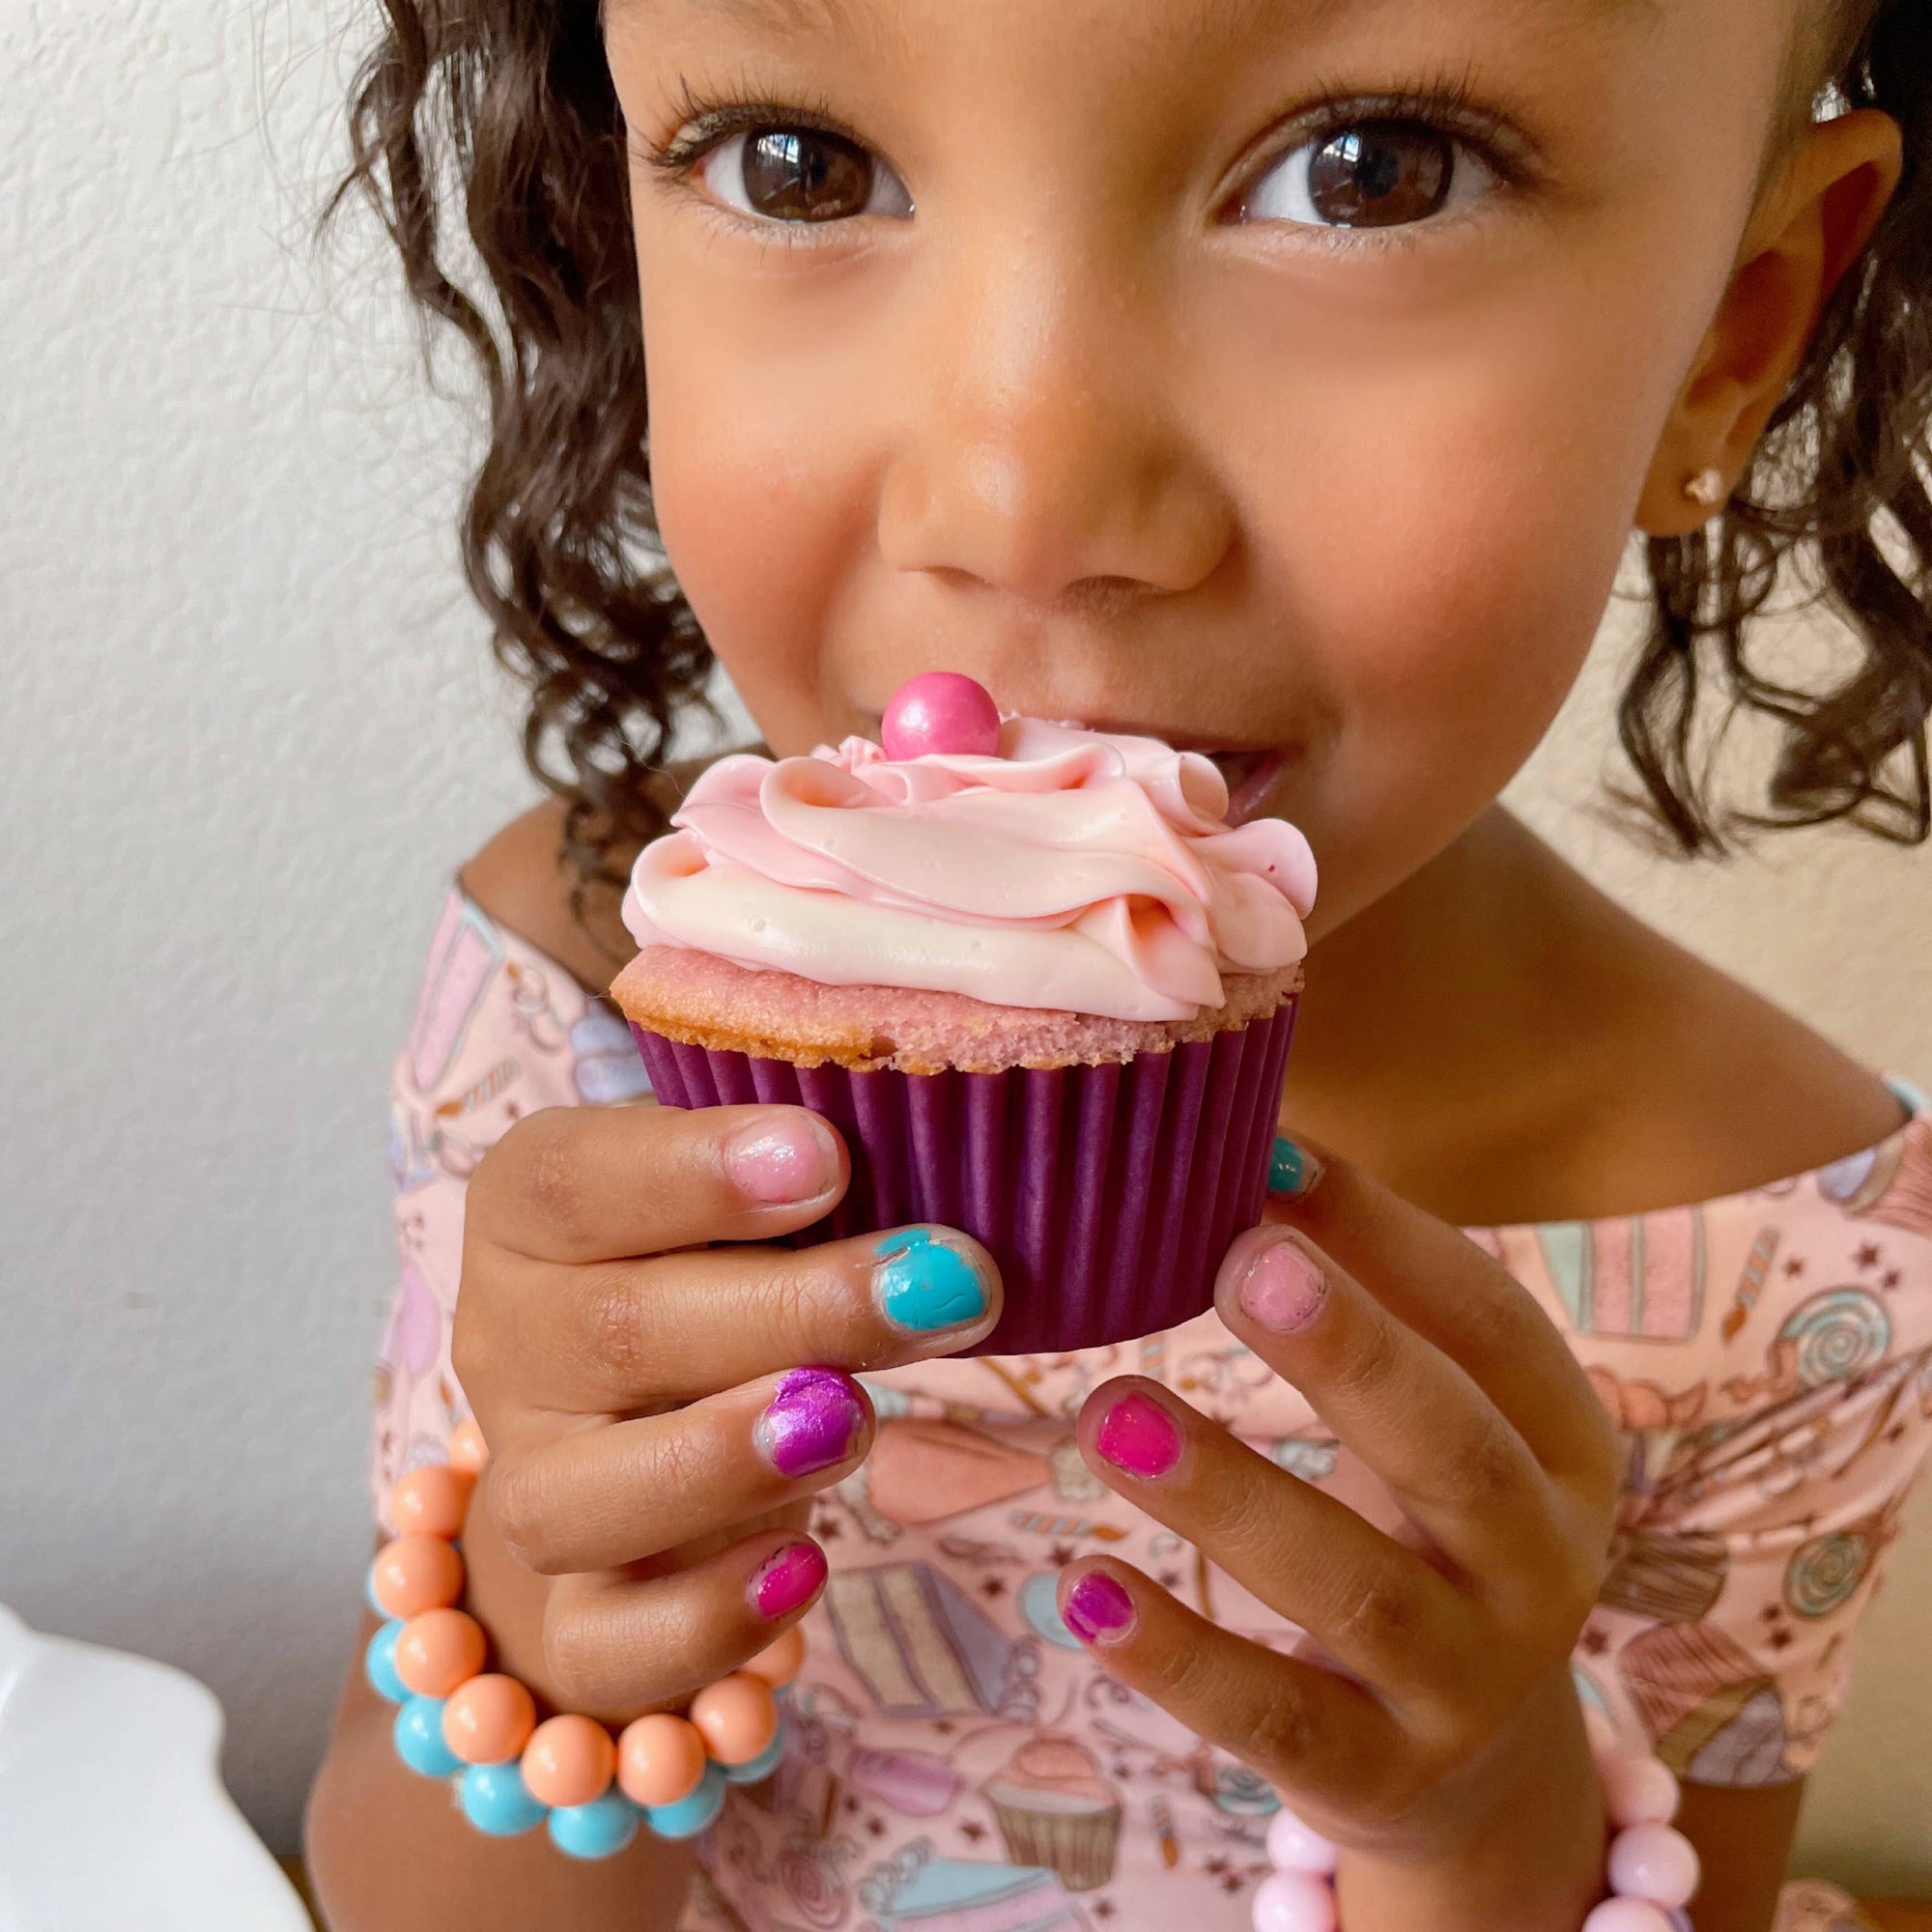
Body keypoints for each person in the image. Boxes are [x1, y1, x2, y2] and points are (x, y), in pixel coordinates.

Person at [302, 0, 1932, 1926]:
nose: (1022, 506)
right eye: (799, 164)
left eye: (1370, 173)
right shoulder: (581, 1014)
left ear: (1734, 335)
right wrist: (552, 1614)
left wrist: (1478, 1810)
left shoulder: (1806, 1253)